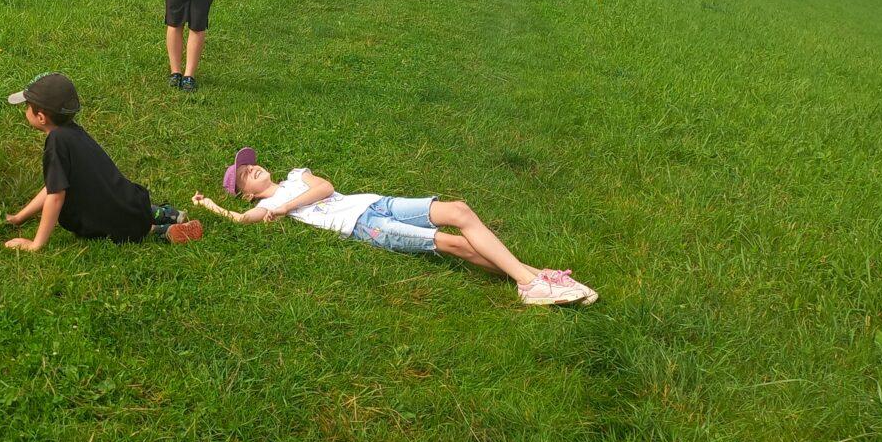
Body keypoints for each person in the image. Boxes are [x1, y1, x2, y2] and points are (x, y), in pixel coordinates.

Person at [191, 147, 598, 306]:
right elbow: (239, 220)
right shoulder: (263, 208)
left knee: (459, 210)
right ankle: (535, 280)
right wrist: (209, 205)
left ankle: (532, 280)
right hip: (364, 226)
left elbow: (325, 188)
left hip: (374, 202)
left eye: (251, 165)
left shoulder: (297, 177)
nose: (252, 169)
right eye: (244, 175)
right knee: (453, 244)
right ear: (248, 194)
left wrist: (287, 206)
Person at [4, 72, 203, 251]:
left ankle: (160, 230)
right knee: (130, 212)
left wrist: (36, 244)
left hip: (109, 221)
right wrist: (19, 217)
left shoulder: (56, 143)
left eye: (27, 106)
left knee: (124, 227)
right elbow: (53, 185)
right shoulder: (73, 132)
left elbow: (55, 196)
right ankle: (165, 214)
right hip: (132, 201)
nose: (25, 109)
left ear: (40, 117)